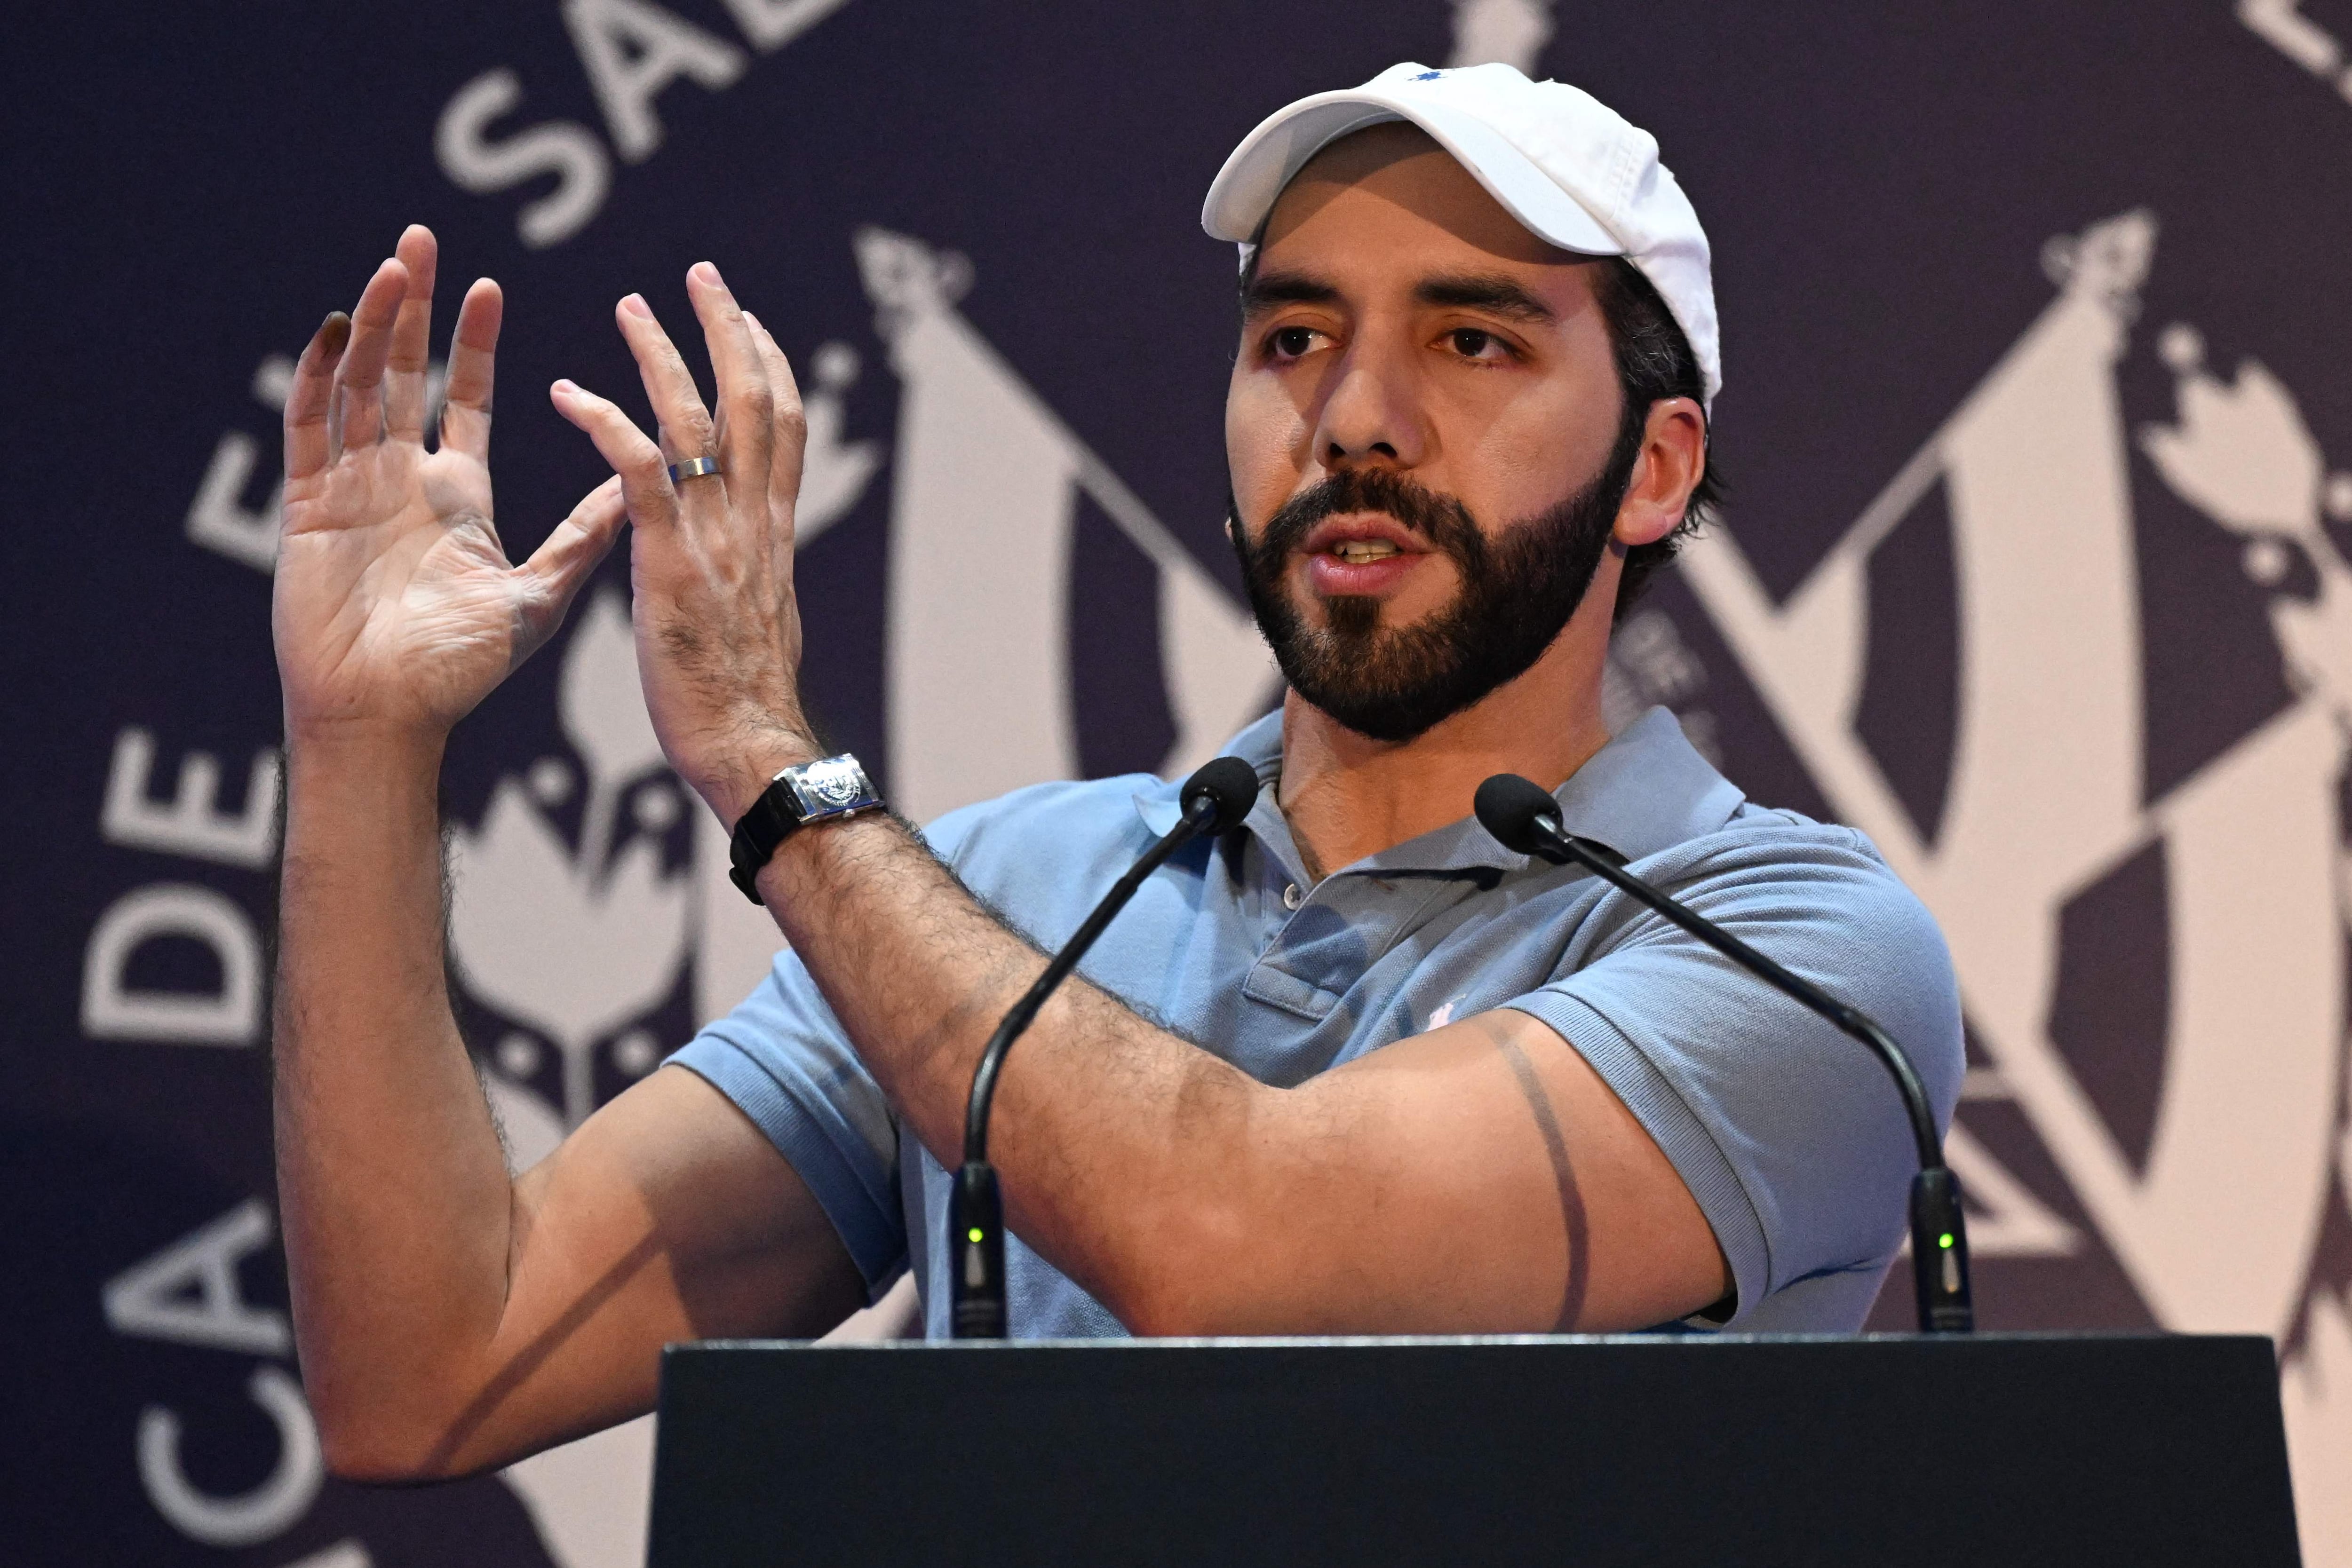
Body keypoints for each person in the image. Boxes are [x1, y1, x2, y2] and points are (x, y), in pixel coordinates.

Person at [270, 62, 1962, 1480]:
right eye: (1293, 338)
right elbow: (434, 1363)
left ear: (1657, 468)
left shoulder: (1798, 952)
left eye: (1471, 342)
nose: (1354, 417)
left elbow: (1238, 1257)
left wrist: (770, 763)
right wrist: (363, 744)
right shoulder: (1014, 893)